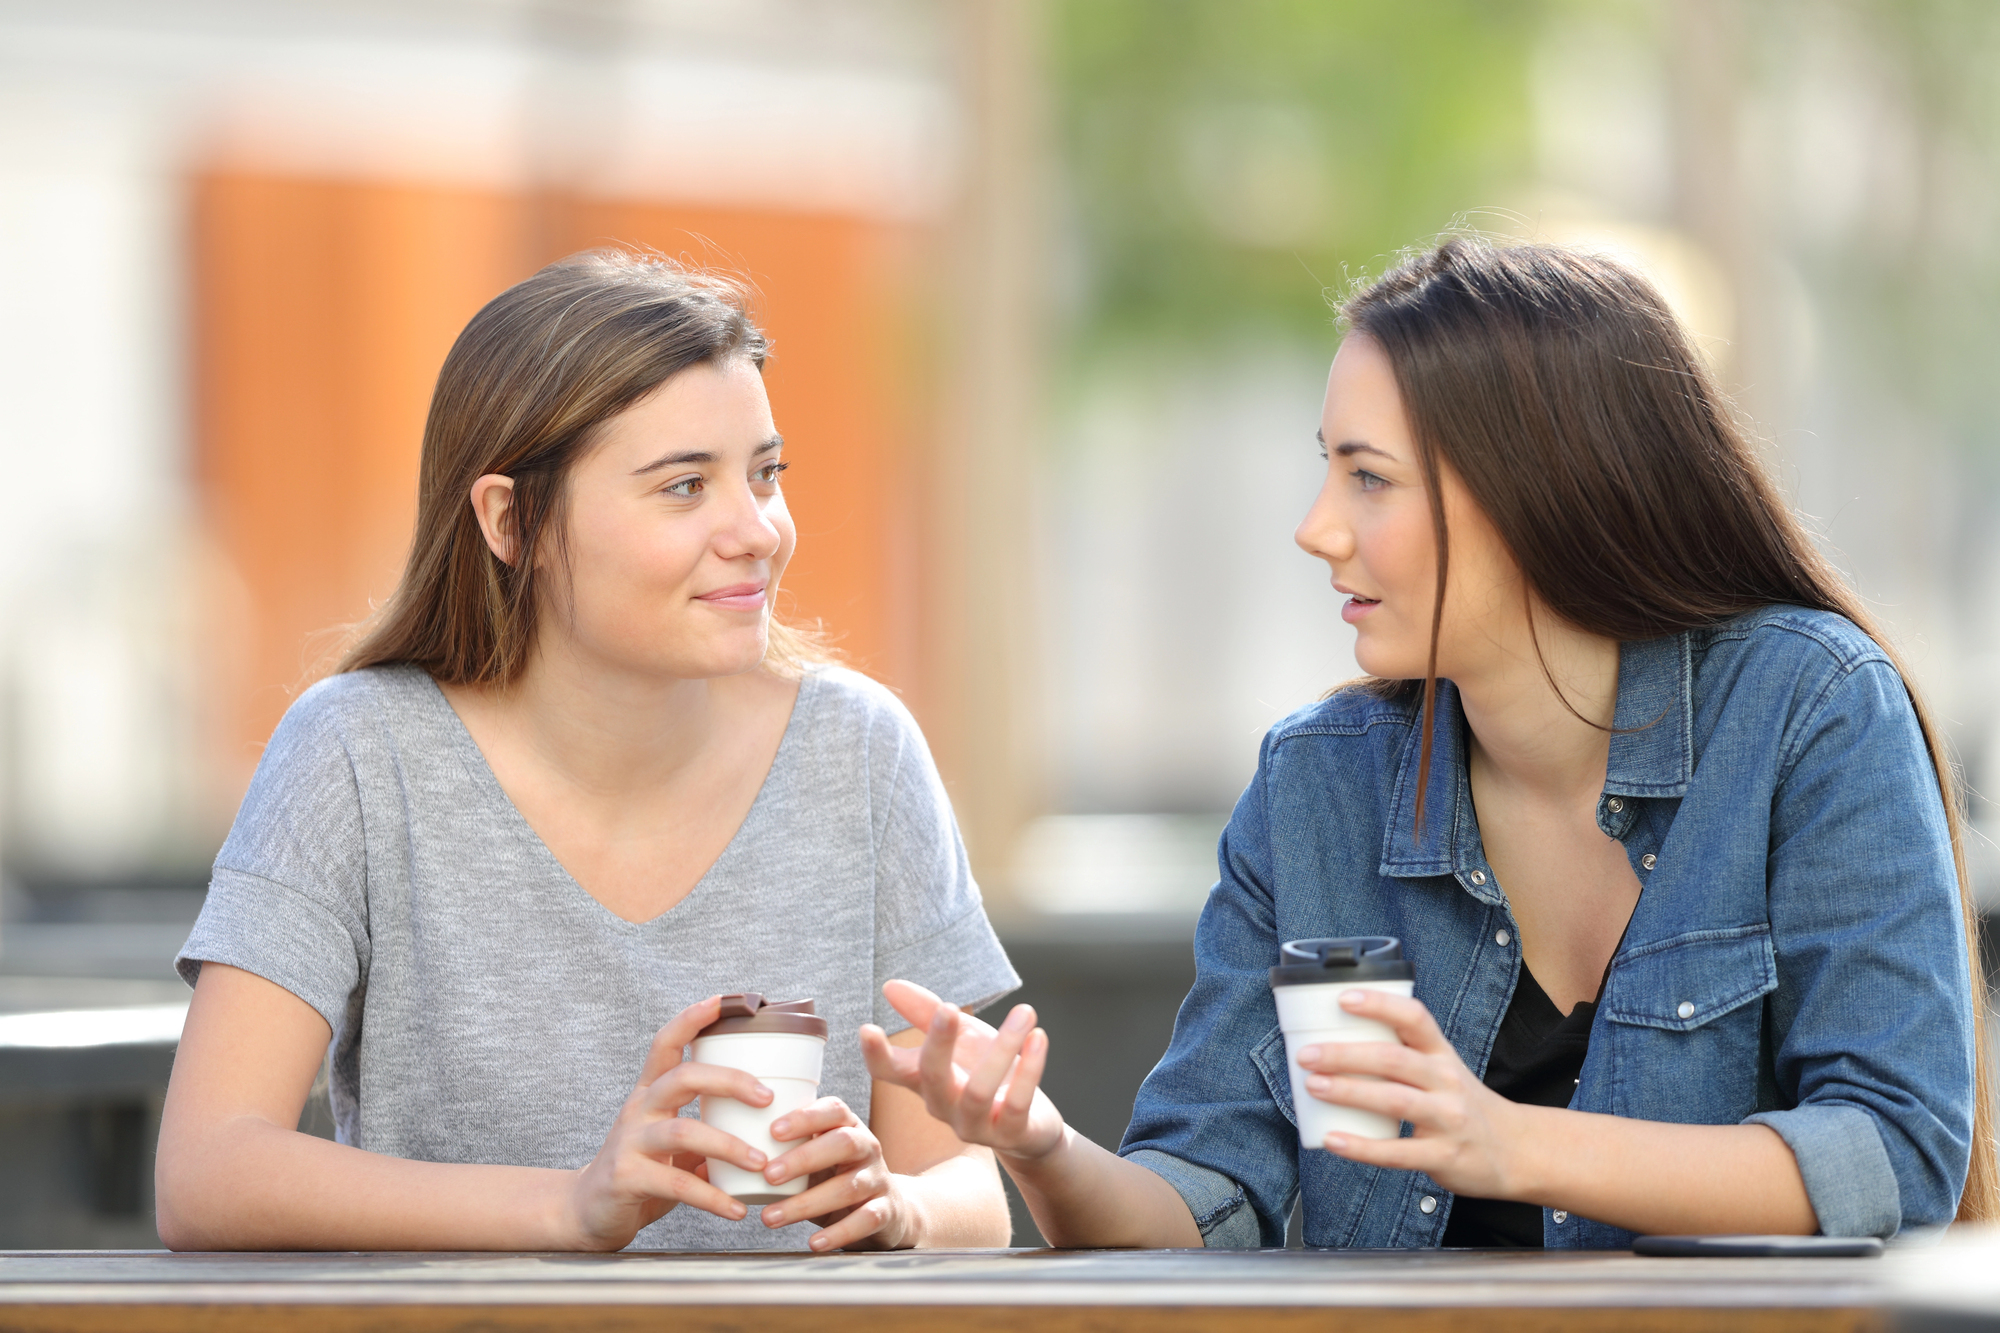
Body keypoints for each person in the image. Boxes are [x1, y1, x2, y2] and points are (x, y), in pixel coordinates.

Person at [865, 237, 1994, 1248]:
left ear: (1537, 491)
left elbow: (1893, 1153)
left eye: (1367, 478)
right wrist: (1041, 1145)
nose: (1315, 526)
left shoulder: (1809, 707)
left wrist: (1507, 1141)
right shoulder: (1317, 782)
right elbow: (1204, 1199)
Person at [156, 250, 1020, 1252]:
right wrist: (570, 1207)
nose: (758, 531)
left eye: (765, 474)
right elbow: (208, 1168)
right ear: (507, 519)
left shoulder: (862, 753)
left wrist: (900, 1206)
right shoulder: (356, 753)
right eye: (685, 485)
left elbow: (971, 1190)